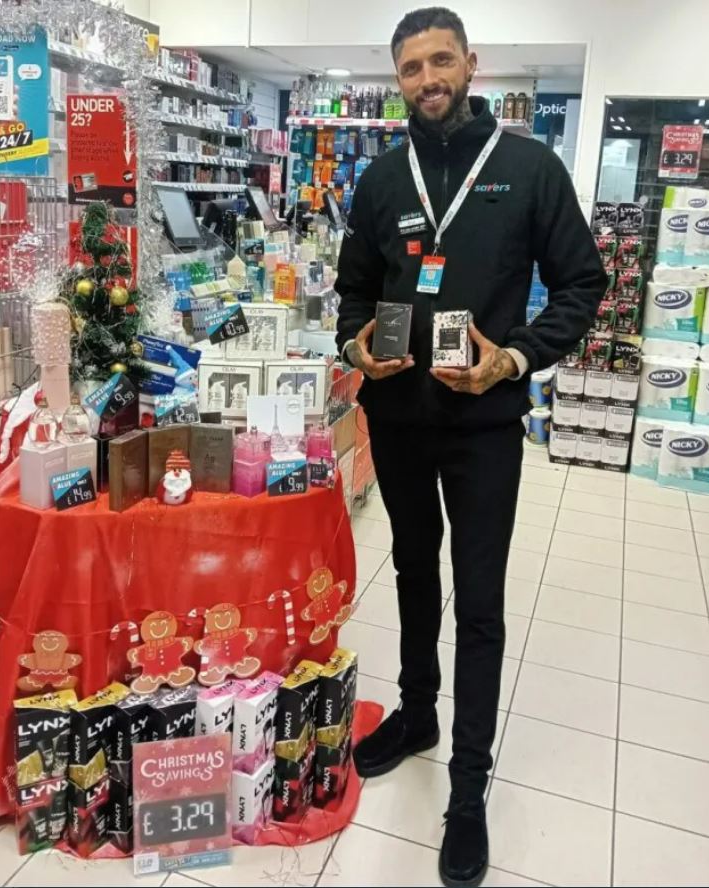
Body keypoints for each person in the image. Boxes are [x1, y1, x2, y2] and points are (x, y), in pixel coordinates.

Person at [335, 8, 606, 887]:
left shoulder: (528, 168)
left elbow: (582, 281)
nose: (427, 79)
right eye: (409, 68)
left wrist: (517, 356)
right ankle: (417, 717)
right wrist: (352, 347)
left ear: (470, 64)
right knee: (413, 573)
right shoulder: (379, 179)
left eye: (439, 61)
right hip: (398, 417)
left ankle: (467, 788)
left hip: (485, 426)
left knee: (477, 600)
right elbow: (348, 293)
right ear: (397, 79)